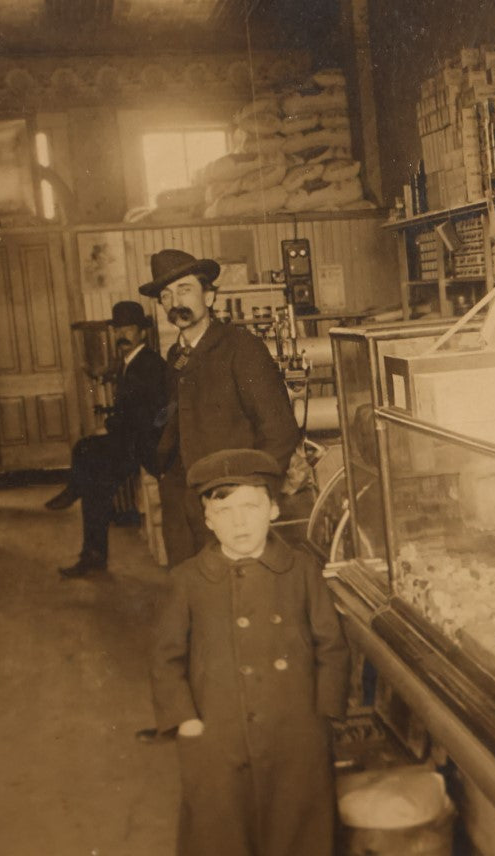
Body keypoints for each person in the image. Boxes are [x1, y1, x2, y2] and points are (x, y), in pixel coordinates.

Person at [150, 448, 349, 856]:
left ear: (273, 510)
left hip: (295, 733)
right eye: (224, 511)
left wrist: (323, 715)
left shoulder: (301, 570)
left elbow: (331, 644)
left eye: (250, 507)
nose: (239, 522)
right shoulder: (187, 580)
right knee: (221, 832)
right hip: (217, 736)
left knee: (297, 830)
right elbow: (166, 658)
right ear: (207, 519)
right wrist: (184, 719)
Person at [141, 250, 300, 565]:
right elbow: (172, 421)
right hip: (182, 507)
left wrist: (250, 495)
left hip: (231, 506)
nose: (175, 302)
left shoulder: (241, 349)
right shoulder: (175, 357)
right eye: (166, 295)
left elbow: (280, 431)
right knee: (193, 593)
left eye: (185, 290)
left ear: (209, 296)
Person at [54, 301, 170, 578]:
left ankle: (77, 495)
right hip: (133, 440)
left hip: (146, 445)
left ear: (142, 332)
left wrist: (111, 426)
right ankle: (92, 549)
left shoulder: (149, 364)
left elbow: (148, 415)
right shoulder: (131, 363)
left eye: (130, 328)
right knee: (92, 470)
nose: (123, 334)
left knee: (88, 454)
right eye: (119, 328)